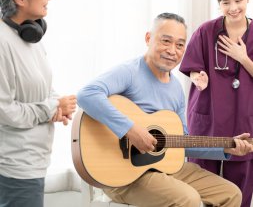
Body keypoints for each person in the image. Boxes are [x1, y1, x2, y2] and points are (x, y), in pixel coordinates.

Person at [77, 12, 253, 207]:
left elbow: (183, 141)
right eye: (166, 41)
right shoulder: (130, 72)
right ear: (148, 38)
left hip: (164, 169)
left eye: (179, 45)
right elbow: (87, 94)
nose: (172, 50)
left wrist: (225, 147)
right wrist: (132, 130)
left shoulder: (176, 88)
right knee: (189, 199)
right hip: (125, 175)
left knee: (230, 193)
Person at [0, 0, 77, 207]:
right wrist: (52, 108)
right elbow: (6, 111)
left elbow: (41, 88)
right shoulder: (2, 43)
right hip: (14, 169)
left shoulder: (30, 36)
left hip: (34, 164)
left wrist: (56, 105)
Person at [179, 0, 253, 207]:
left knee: (240, 188)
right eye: (226, 2)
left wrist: (243, 58)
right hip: (207, 117)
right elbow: (192, 66)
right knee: (201, 184)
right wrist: (197, 77)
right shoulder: (205, 31)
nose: (233, 8)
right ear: (218, 3)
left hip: (245, 119)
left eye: (238, 0)